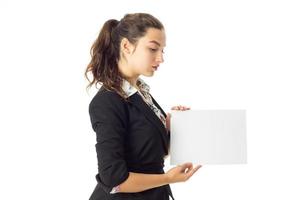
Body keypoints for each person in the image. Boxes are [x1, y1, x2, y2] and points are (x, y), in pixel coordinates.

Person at [84, 12, 202, 200]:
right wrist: (167, 178)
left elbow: (146, 156)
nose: (161, 58)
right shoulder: (107, 101)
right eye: (153, 49)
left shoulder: (141, 94)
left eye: (163, 50)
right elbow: (114, 178)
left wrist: (173, 131)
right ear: (126, 46)